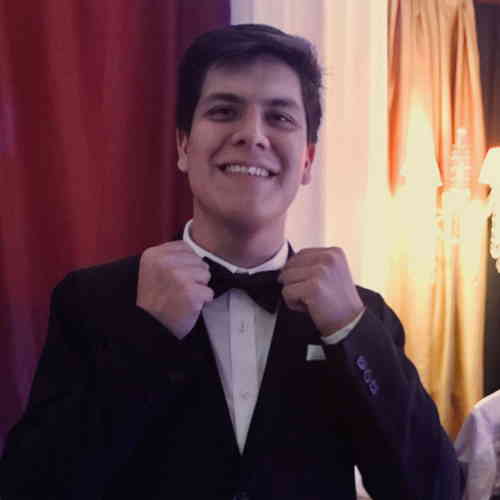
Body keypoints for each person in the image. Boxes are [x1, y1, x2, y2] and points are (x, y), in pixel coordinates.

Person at [0, 24, 463, 500]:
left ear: (307, 160)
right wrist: (146, 337)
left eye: (279, 117)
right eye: (224, 111)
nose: (252, 135)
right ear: (184, 146)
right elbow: (30, 488)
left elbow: (434, 490)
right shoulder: (91, 302)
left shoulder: (361, 316)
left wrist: (351, 332)